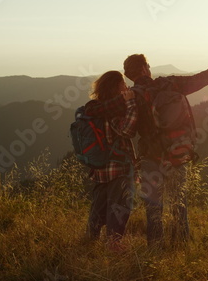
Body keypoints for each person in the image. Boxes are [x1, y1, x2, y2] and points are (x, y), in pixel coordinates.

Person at [123, 54, 208, 248]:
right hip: (176, 152)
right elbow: (201, 79)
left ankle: (155, 249)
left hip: (150, 156)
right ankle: (181, 245)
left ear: (130, 75)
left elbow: (129, 130)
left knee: (153, 205)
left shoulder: (131, 96)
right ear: (145, 68)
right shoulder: (170, 84)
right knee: (179, 202)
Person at [85, 71, 137, 250]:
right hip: (118, 168)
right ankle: (114, 246)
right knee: (119, 207)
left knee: (98, 209)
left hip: (99, 168)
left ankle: (89, 244)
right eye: (123, 82)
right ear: (115, 86)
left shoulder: (96, 107)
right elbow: (127, 131)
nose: (125, 85)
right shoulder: (112, 111)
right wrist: (130, 103)